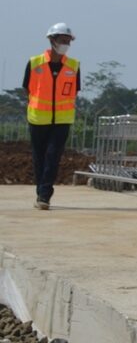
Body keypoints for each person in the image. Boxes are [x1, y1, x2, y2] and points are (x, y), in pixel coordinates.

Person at [24, 23, 80, 210]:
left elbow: (75, 92)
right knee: (39, 157)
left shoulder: (74, 66)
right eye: (62, 40)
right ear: (52, 40)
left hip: (62, 120)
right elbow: (28, 89)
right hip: (38, 118)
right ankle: (41, 191)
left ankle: (45, 195)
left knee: (52, 156)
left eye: (68, 41)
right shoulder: (34, 63)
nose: (65, 44)